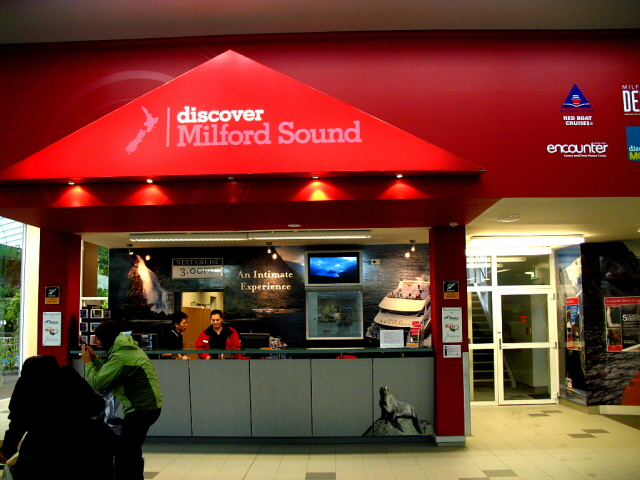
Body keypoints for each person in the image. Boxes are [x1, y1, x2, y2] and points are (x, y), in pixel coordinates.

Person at [0, 355, 116, 480]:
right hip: (82, 444)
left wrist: (7, 450)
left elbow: (18, 421)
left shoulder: (28, 382)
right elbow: (95, 405)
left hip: (42, 449)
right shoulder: (68, 375)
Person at [82, 320, 163, 480]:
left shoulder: (121, 356)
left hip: (141, 409)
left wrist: (88, 363)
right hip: (148, 406)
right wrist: (96, 359)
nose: (97, 343)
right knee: (130, 448)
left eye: (98, 339)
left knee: (126, 451)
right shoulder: (127, 349)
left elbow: (99, 382)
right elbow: (111, 369)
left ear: (106, 339)